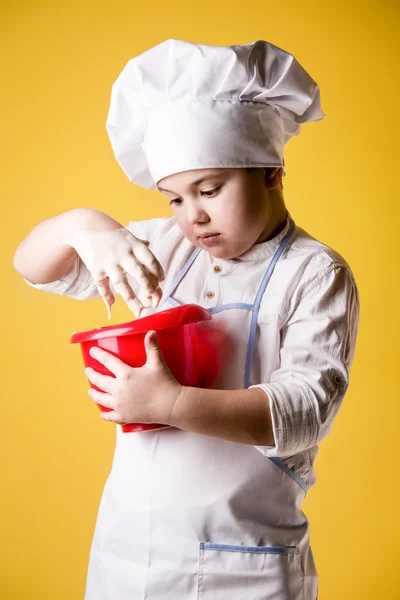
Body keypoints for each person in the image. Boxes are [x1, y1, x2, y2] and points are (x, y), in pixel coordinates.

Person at [13, 39, 360, 600]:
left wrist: (170, 405)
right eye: (173, 198)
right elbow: (33, 266)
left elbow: (303, 412)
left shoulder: (316, 274)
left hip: (244, 566)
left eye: (209, 189)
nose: (192, 216)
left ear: (271, 172)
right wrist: (86, 227)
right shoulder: (162, 248)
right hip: (127, 555)